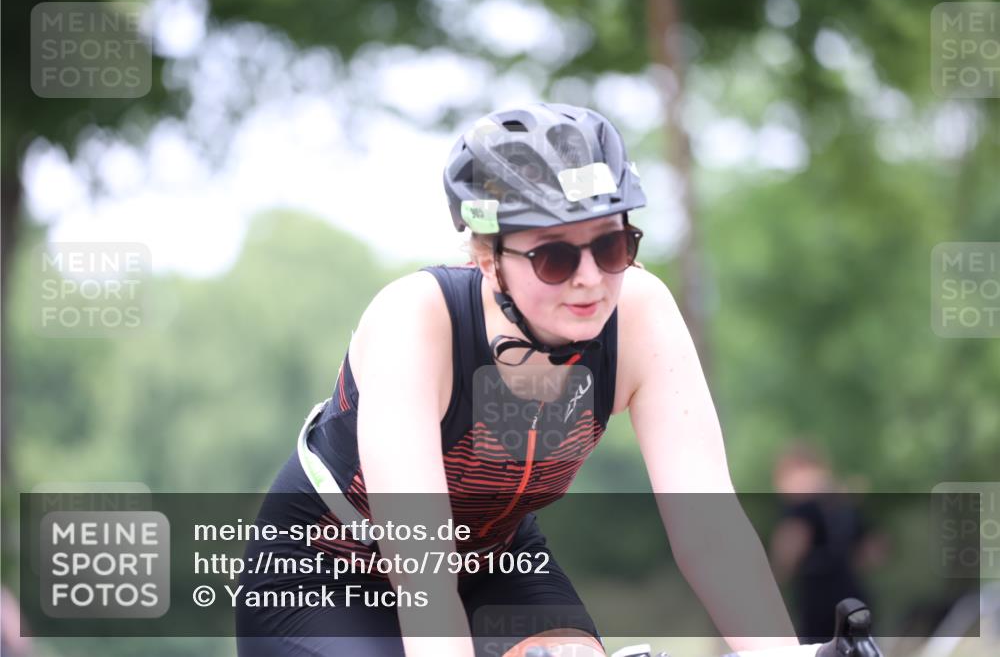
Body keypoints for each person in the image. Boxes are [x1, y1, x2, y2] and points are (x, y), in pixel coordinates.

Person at [236, 102, 800, 657]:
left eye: (611, 246)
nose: (590, 279)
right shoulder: (415, 321)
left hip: (496, 560)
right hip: (324, 568)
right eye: (555, 257)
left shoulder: (640, 312)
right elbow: (424, 577)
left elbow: (709, 529)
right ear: (488, 257)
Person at [769, 442, 883, 644]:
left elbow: (790, 549)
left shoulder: (803, 506)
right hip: (853, 597)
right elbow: (874, 551)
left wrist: (771, 581)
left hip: (817, 603)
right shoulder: (844, 503)